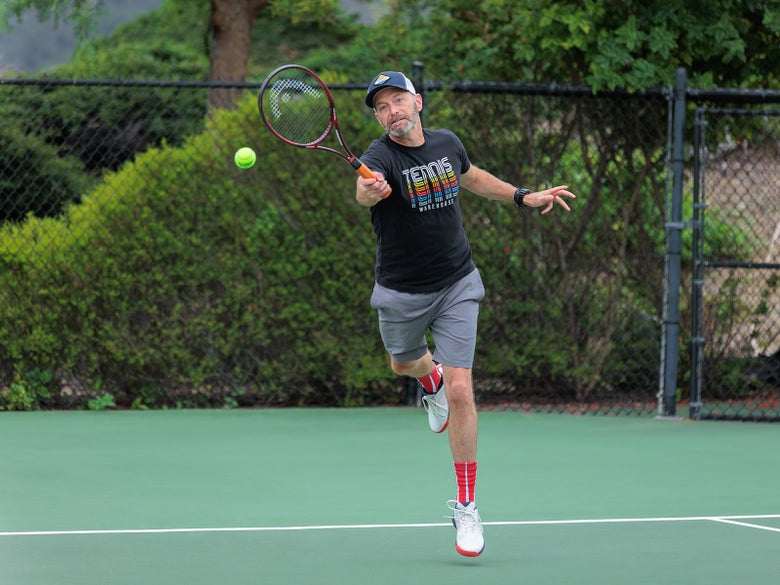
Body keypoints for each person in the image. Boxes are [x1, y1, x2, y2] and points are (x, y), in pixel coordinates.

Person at [355, 71, 575, 558]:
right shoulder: (378, 158)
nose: (390, 111)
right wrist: (370, 191)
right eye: (380, 107)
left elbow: (471, 177)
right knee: (402, 364)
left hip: (457, 282)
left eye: (396, 101)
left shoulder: (448, 143)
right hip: (401, 291)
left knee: (462, 388)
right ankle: (425, 380)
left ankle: (467, 505)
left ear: (417, 102)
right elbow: (365, 189)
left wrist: (523, 195)